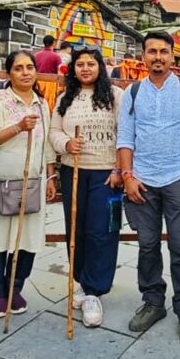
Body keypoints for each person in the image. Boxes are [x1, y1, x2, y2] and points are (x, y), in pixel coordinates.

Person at [116, 31, 180, 345]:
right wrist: (128, 176)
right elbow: (125, 138)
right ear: (143, 56)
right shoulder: (133, 91)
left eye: (164, 51)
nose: (158, 57)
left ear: (172, 55)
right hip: (142, 180)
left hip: (179, 178)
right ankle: (153, 301)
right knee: (147, 246)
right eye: (152, 51)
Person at [0, 50, 57, 318]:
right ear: (9, 73)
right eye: (18, 68)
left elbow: (46, 145)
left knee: (27, 238)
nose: (25, 73)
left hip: (33, 182)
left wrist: (50, 175)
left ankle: (15, 287)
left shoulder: (41, 103)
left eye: (30, 67)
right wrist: (17, 127)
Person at [49, 46, 124, 327]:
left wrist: (119, 169)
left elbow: (126, 133)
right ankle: (82, 279)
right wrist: (66, 144)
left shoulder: (116, 95)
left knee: (102, 231)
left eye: (91, 64)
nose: (85, 69)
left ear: (100, 67)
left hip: (107, 173)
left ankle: (95, 290)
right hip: (75, 171)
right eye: (80, 64)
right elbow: (54, 131)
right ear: (73, 69)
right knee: (76, 228)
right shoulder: (65, 98)